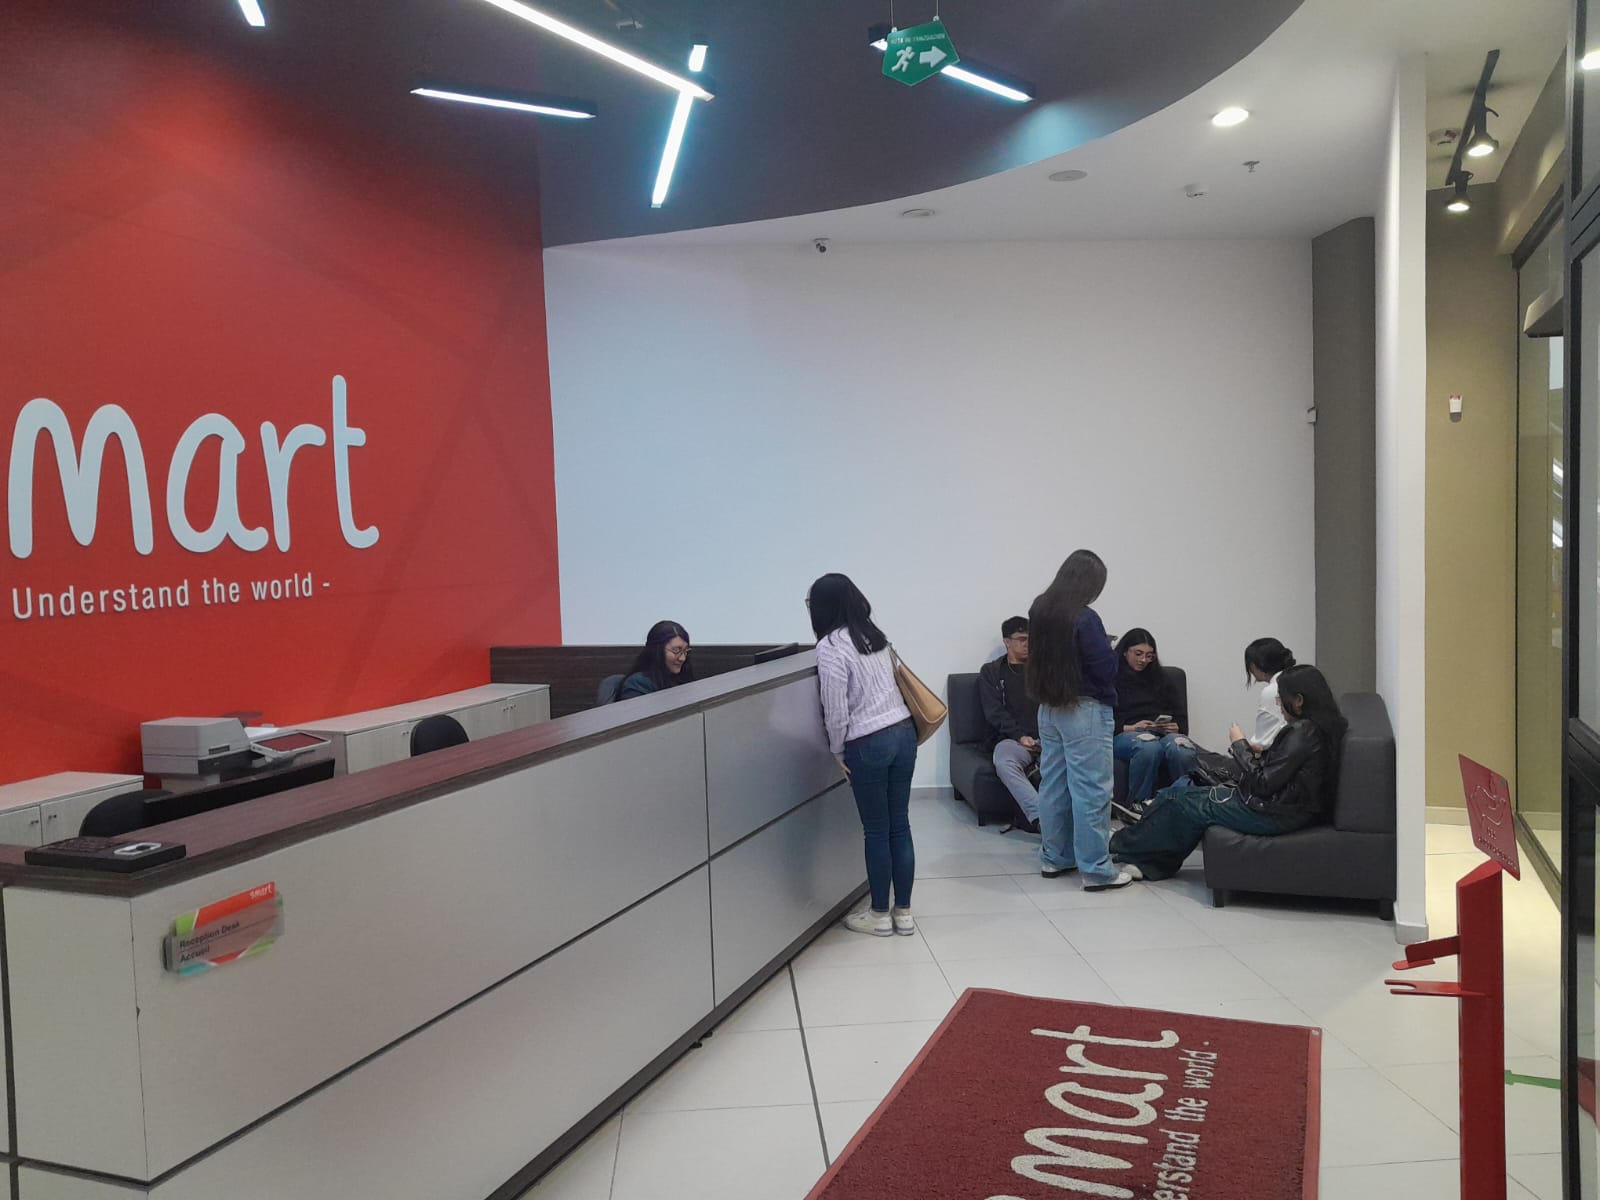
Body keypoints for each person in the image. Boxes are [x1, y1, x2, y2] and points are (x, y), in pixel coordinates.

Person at [1109, 664, 1348, 880]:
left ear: (1298, 700)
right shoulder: (1324, 726)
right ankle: (1151, 864)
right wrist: (1260, 753)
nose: (1278, 704)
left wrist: (1239, 744)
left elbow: (1263, 783)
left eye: (1280, 699)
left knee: (1180, 801)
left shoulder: (1302, 730)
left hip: (1275, 812)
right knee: (1178, 794)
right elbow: (1287, 769)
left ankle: (1116, 843)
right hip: (1289, 808)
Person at [809, 574, 918, 937]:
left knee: (876, 830)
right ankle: (904, 913)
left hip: (867, 742)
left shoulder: (830, 646)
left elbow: (835, 710)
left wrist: (837, 750)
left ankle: (879, 914)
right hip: (903, 733)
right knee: (899, 825)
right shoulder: (875, 636)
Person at [1026, 550, 1134, 891]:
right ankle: (1097, 870)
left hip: (1049, 708)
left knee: (1053, 785)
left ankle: (1054, 857)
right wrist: (1111, 650)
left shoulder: (1040, 609)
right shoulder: (1086, 618)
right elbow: (1105, 669)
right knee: (1091, 791)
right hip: (1085, 710)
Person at [1110, 627, 1198, 823]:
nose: (1143, 660)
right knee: (1148, 746)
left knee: (1182, 747)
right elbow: (1102, 720)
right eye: (1138, 654)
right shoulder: (1111, 679)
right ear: (1125, 652)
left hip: (1160, 733)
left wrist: (1176, 726)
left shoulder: (1162, 679)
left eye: (1149, 656)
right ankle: (1138, 806)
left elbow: (1181, 718)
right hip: (1125, 734)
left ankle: (1187, 806)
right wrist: (1132, 727)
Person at [979, 616, 1041, 832]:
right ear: (1007, 642)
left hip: (1047, 738)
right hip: (1012, 740)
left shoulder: (1043, 670)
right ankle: (1042, 818)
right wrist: (1020, 736)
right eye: (1022, 639)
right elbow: (994, 712)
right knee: (1004, 762)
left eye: (1031, 639)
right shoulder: (992, 672)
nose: (1028, 644)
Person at [1243, 637, 1297, 752]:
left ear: (1254, 665)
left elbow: (1261, 743)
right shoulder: (1297, 679)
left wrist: (1238, 741)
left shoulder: (1273, 690)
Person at [617, 621, 694, 699]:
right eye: (676, 650)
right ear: (657, 651)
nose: (682, 658)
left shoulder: (682, 679)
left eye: (685, 650)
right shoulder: (638, 683)